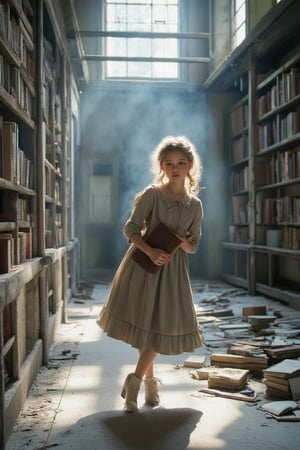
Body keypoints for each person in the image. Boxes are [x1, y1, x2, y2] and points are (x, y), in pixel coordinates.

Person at [96, 135, 204, 412]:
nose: (175, 168)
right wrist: (150, 251)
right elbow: (130, 229)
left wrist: (179, 240)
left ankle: (138, 381)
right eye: (168, 163)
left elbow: (193, 247)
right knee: (148, 324)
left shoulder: (196, 206)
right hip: (144, 265)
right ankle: (145, 384)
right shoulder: (152, 195)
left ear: (190, 165)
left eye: (180, 163)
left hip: (174, 272)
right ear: (162, 166)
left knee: (162, 324)